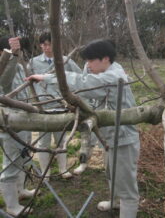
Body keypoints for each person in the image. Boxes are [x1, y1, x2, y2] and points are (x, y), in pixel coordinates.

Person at [26, 39, 140, 218]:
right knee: (111, 173)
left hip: (123, 139)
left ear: (105, 59)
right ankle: (116, 201)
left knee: (126, 184)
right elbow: (87, 81)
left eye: (90, 60)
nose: (87, 65)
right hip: (110, 136)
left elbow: (83, 82)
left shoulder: (113, 76)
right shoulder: (109, 69)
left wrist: (48, 78)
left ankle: (126, 208)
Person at [28, 32, 82, 179]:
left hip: (61, 105)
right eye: (44, 44)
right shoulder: (33, 62)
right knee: (43, 141)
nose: (47, 47)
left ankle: (63, 169)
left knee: (61, 138)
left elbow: (79, 77)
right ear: (40, 45)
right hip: (42, 107)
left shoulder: (64, 61)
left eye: (50, 44)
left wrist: (74, 97)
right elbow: (26, 83)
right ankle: (46, 172)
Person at [0, 36, 36, 216]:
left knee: (23, 158)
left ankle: (20, 191)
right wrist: (12, 56)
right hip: (11, 125)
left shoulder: (19, 66)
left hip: (25, 120)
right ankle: (11, 206)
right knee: (11, 165)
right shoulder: (2, 69)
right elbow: (5, 82)